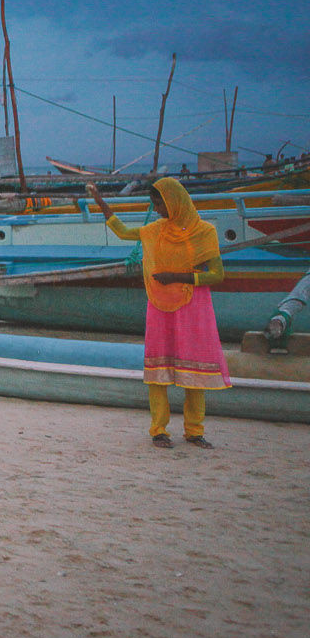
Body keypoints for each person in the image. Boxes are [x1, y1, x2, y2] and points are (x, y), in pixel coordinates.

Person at [87, 178, 229, 449]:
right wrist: (100, 202)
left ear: (175, 201)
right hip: (160, 303)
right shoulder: (155, 230)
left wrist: (176, 276)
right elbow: (124, 233)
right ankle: (158, 431)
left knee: (194, 370)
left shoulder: (204, 232)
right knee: (158, 372)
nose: (157, 209)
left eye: (159, 203)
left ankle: (194, 431)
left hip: (193, 306)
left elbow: (217, 275)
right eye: (154, 204)